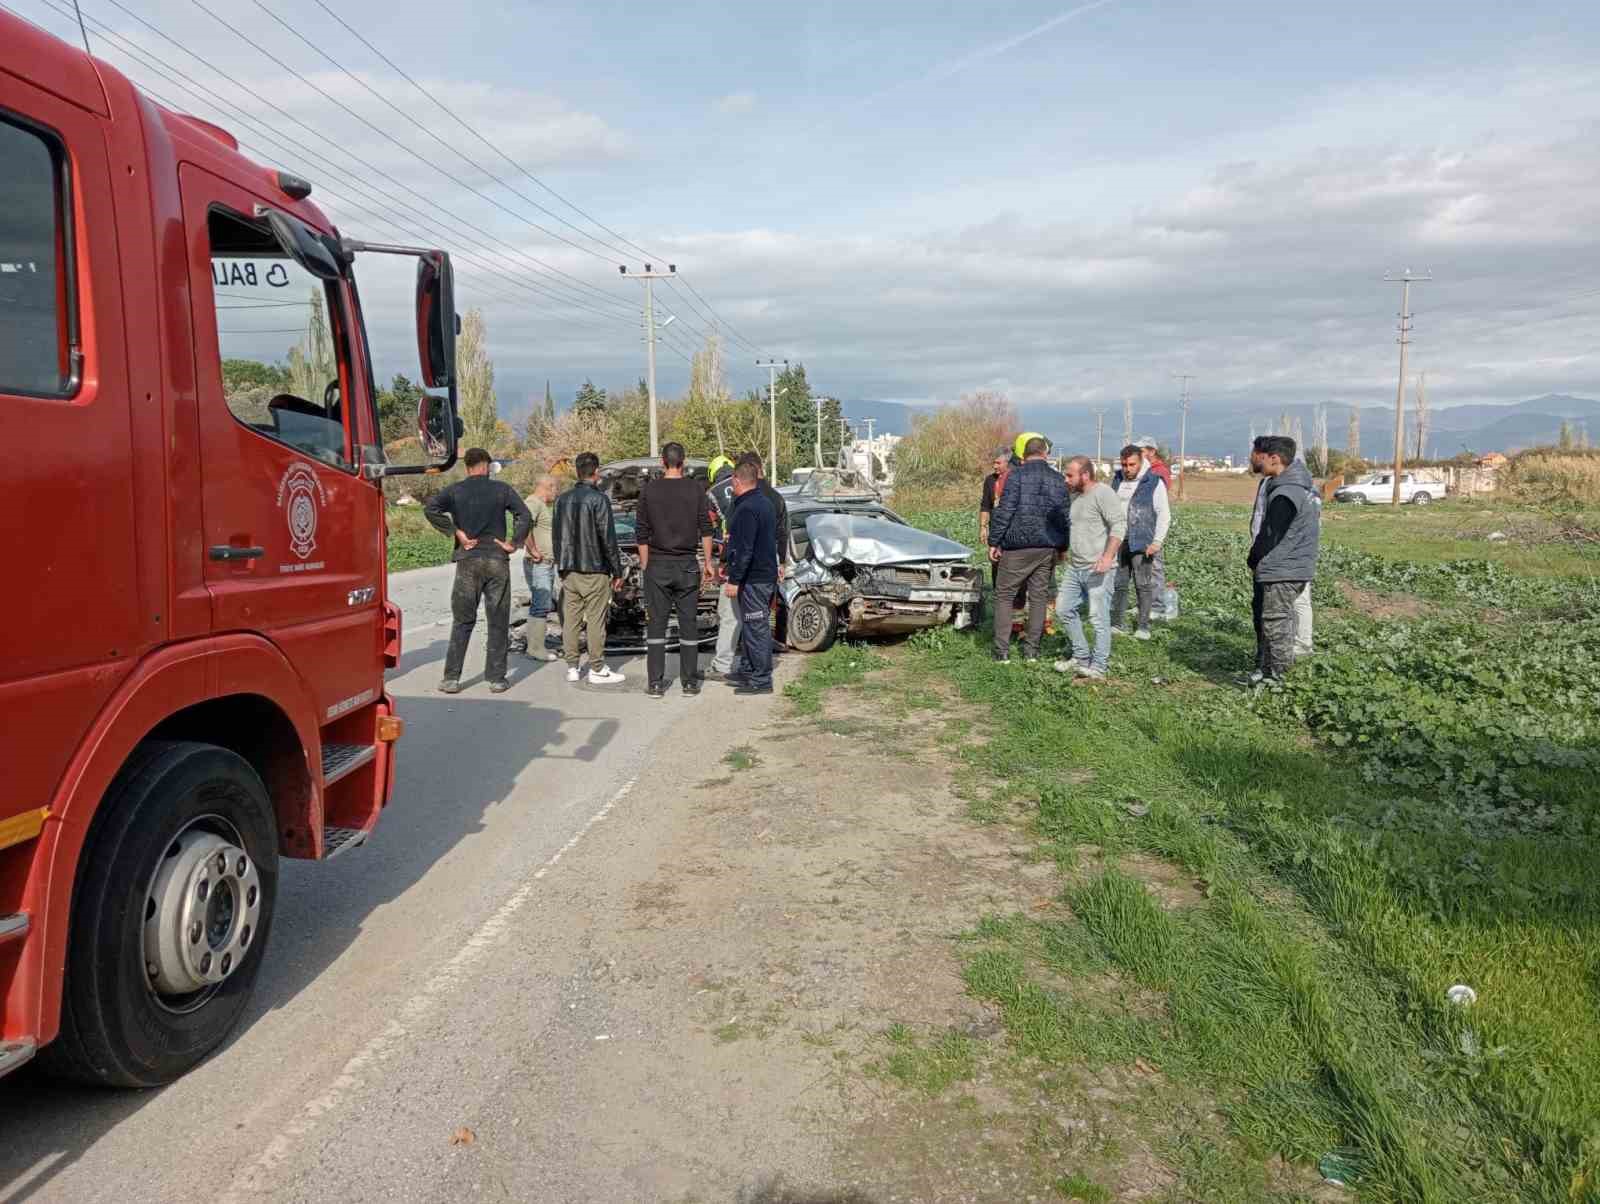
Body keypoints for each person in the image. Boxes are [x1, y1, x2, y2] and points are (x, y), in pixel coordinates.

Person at [423, 447, 532, 694]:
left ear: (468, 466)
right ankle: (496, 678)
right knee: (497, 619)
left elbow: (430, 509)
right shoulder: (501, 489)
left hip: (468, 561)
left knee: (462, 620)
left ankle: (451, 678)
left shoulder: (455, 490)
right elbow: (524, 515)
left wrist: (456, 533)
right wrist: (513, 543)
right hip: (496, 560)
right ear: (485, 465)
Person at [636, 442, 716, 698]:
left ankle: (656, 683)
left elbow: (641, 533)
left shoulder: (649, 491)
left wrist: (646, 565)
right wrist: (707, 564)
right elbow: (706, 528)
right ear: (683, 462)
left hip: (657, 564)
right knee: (688, 624)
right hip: (687, 565)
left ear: (662, 462)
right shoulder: (696, 490)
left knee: (657, 625)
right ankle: (690, 683)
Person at [1245, 435, 1321, 683]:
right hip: (1295, 566)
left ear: (1274, 458)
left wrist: (1254, 559)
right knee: (1276, 622)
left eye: (1262, 457)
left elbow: (1271, 535)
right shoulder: (1301, 486)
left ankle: (1279, 679)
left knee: (1276, 625)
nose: (1258, 461)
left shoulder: (1285, 493)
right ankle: (1268, 673)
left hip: (1283, 569)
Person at [986, 436, 1069, 662]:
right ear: (1045, 454)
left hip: (1017, 546)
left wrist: (994, 542)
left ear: (1023, 455)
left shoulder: (1016, 476)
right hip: (1046, 546)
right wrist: (1063, 546)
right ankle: (1032, 650)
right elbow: (1064, 517)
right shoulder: (1058, 479)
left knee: (1004, 595)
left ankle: (1001, 652)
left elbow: (1005, 511)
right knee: (1039, 597)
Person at [551, 451, 625, 685]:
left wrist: (561, 566)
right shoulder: (599, 499)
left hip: (569, 569)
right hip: (595, 569)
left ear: (577, 471)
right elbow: (608, 538)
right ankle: (597, 668)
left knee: (570, 620)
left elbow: (556, 536)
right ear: (597, 472)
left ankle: (572, 667)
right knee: (595, 620)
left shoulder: (562, 499)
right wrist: (617, 571)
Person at [1052, 456, 1125, 681]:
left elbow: (1119, 525)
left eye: (1070, 475)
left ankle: (1099, 667)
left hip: (1099, 569)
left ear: (1085, 475)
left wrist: (1107, 557)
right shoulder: (1075, 496)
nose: (1066, 479)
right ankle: (1081, 656)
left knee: (1098, 618)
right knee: (1063, 609)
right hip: (1076, 567)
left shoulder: (1103, 493)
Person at [721, 460, 778, 695]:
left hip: (755, 578)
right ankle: (747, 669)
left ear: (736, 480)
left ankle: (761, 679)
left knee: (756, 627)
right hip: (761, 575)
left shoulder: (746, 509)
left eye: (731, 481)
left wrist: (734, 580)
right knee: (750, 626)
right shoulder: (764, 502)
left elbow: (745, 549)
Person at [1110, 444, 1170, 640]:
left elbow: (1164, 514)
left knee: (1143, 584)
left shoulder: (1153, 482)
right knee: (1119, 584)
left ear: (1141, 462)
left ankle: (1143, 627)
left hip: (1142, 541)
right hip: (1119, 540)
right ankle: (1117, 624)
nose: (1127, 469)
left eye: (1131, 464)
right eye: (1124, 464)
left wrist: (1157, 541)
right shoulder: (1117, 480)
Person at [705, 454, 743, 680]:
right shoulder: (749, 484)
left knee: (728, 614)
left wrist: (715, 562)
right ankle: (753, 662)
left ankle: (722, 665)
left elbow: (709, 528)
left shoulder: (712, 493)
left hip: (732, 560)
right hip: (757, 560)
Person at [520, 474, 560, 661]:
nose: (556, 493)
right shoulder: (533, 503)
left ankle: (536, 645)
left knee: (543, 603)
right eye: (556, 489)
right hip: (539, 563)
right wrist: (534, 550)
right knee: (541, 604)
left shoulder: (541, 505)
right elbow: (523, 525)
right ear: (549, 487)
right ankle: (535, 648)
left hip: (545, 563)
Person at [1133, 436, 1173, 616]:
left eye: (1141, 452)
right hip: (1140, 524)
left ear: (1151, 451)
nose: (1139, 455)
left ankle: (1156, 606)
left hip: (1152, 525)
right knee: (1141, 567)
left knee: (1154, 566)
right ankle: (1143, 604)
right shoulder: (1146, 470)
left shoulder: (1158, 472)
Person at [978, 448, 1010, 587]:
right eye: (993, 463)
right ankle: (998, 592)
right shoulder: (990, 480)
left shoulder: (1015, 479)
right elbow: (985, 505)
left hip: (1011, 530)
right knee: (995, 562)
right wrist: (983, 527)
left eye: (998, 463)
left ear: (1007, 463)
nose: (995, 466)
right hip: (995, 528)